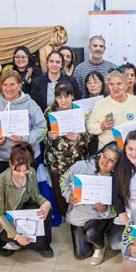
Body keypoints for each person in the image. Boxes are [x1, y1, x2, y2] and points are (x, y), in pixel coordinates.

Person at [60, 142, 121, 264]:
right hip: (78, 215)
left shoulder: (118, 178)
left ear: (116, 165)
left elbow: (120, 206)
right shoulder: (81, 166)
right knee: (81, 254)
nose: (105, 162)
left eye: (111, 160)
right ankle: (92, 237)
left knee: (91, 233)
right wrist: (69, 196)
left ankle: (100, 246)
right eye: (104, 156)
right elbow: (63, 179)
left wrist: (106, 209)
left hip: (99, 217)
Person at [0, 142, 54, 258]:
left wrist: (45, 202)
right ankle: (1, 241)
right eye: (17, 171)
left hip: (22, 211)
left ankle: (45, 245)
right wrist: (16, 236)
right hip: (5, 219)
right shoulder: (0, 182)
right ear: (10, 164)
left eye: (25, 170)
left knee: (47, 211)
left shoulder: (31, 172)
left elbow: (35, 196)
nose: (21, 174)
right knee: (26, 242)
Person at [0, 69, 47, 176]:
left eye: (12, 84)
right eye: (5, 84)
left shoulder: (31, 104)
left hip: (27, 158)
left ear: (19, 85)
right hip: (2, 159)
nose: (8, 88)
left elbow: (42, 128)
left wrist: (24, 139)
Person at [44, 81, 90, 217]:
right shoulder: (49, 112)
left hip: (77, 159)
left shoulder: (80, 111)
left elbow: (90, 135)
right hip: (57, 161)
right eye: (60, 97)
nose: (63, 100)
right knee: (59, 190)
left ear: (72, 96)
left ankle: (78, 214)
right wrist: (49, 137)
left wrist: (79, 137)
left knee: (78, 188)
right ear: (55, 97)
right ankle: (63, 214)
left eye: (66, 96)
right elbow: (41, 134)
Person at [87, 70, 136, 150]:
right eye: (112, 84)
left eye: (119, 84)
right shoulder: (100, 104)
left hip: (134, 152)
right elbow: (90, 126)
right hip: (108, 152)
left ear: (126, 85)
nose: (115, 88)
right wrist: (102, 126)